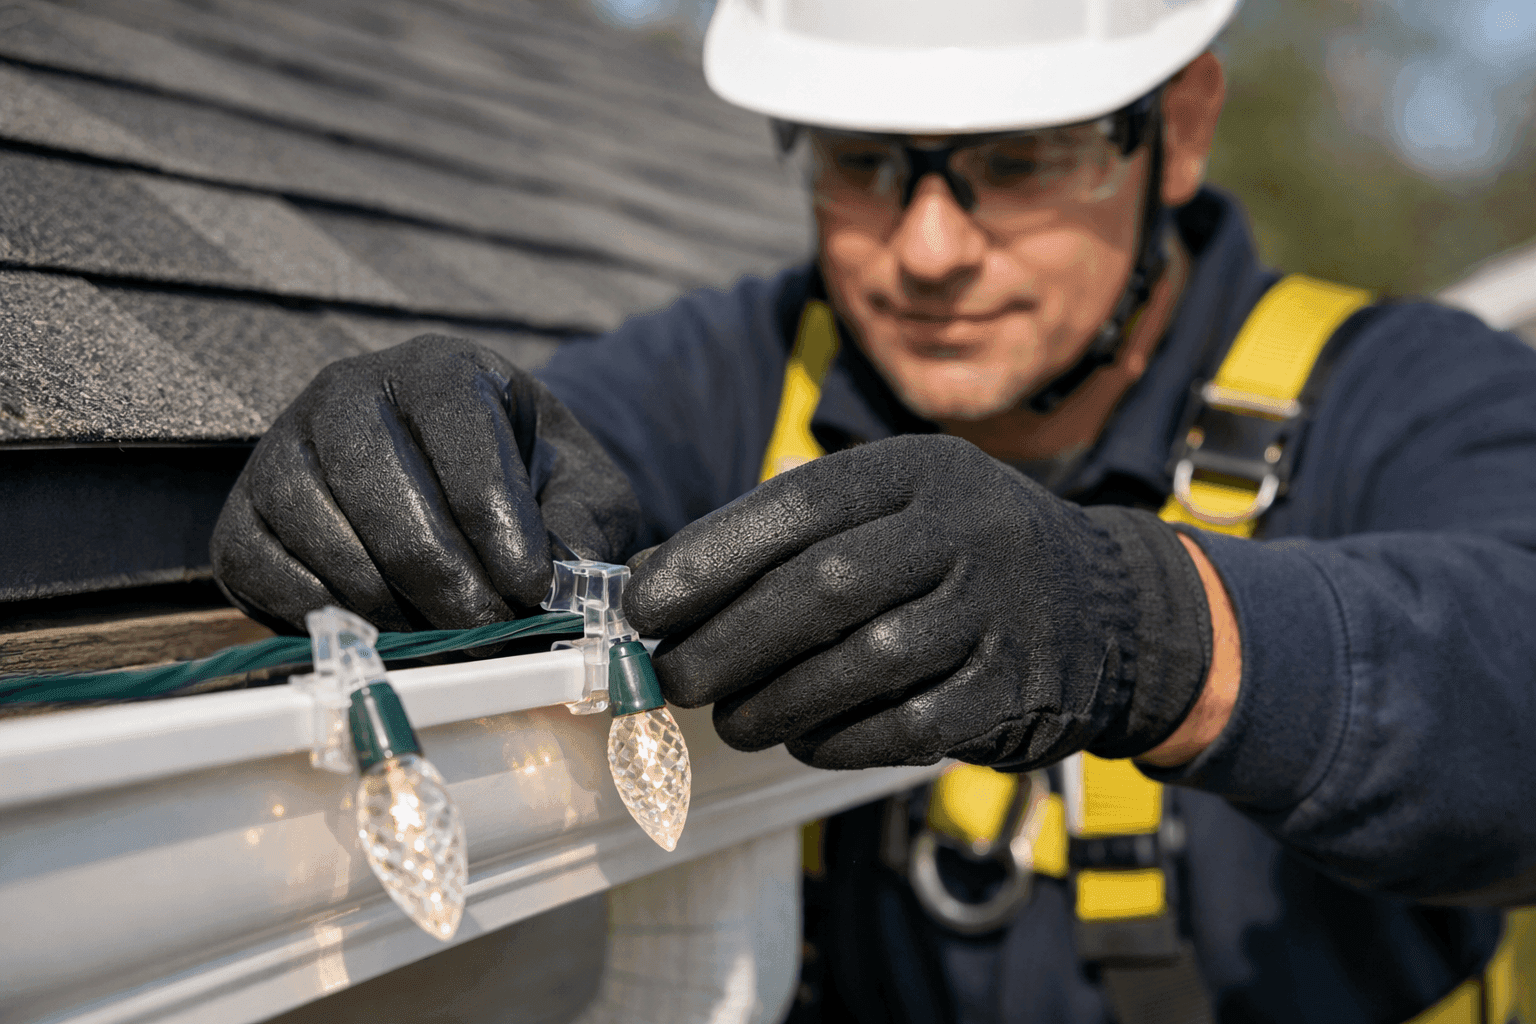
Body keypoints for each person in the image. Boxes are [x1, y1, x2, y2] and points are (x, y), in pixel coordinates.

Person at [210, 0, 1536, 1019]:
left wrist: (1152, 629)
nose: (929, 250)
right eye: (863, 164)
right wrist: (388, 485)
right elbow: (546, 479)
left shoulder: (1406, 394)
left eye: (1019, 163)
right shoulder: (737, 378)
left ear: (1179, 128)